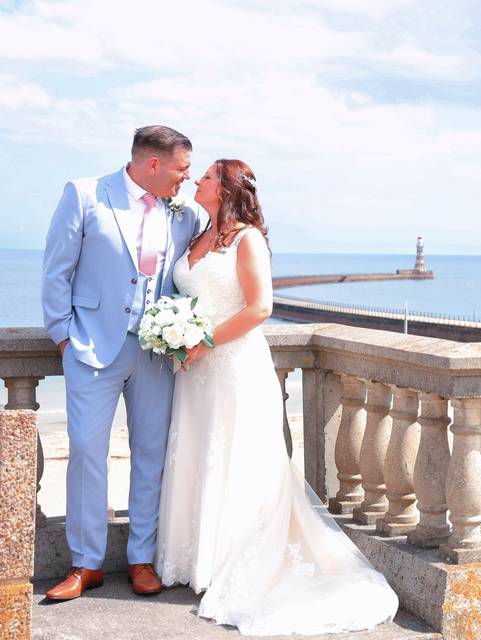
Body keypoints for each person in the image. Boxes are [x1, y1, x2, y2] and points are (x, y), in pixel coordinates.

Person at [155, 159, 398, 635]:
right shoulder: (194, 237)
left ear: (225, 190)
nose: (196, 181)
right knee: (198, 455)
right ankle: (195, 560)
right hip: (194, 374)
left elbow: (261, 307)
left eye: (205, 176)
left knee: (237, 458)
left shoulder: (247, 239)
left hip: (232, 366)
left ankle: (232, 562)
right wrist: (173, 337)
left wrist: (201, 342)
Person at [41, 125, 202, 600]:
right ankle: (84, 564)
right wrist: (64, 338)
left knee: (151, 455)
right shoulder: (86, 193)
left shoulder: (185, 213)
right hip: (92, 348)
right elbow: (57, 270)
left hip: (155, 353)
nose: (186, 180)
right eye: (182, 169)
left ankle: (141, 558)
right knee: (87, 451)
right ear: (153, 164)